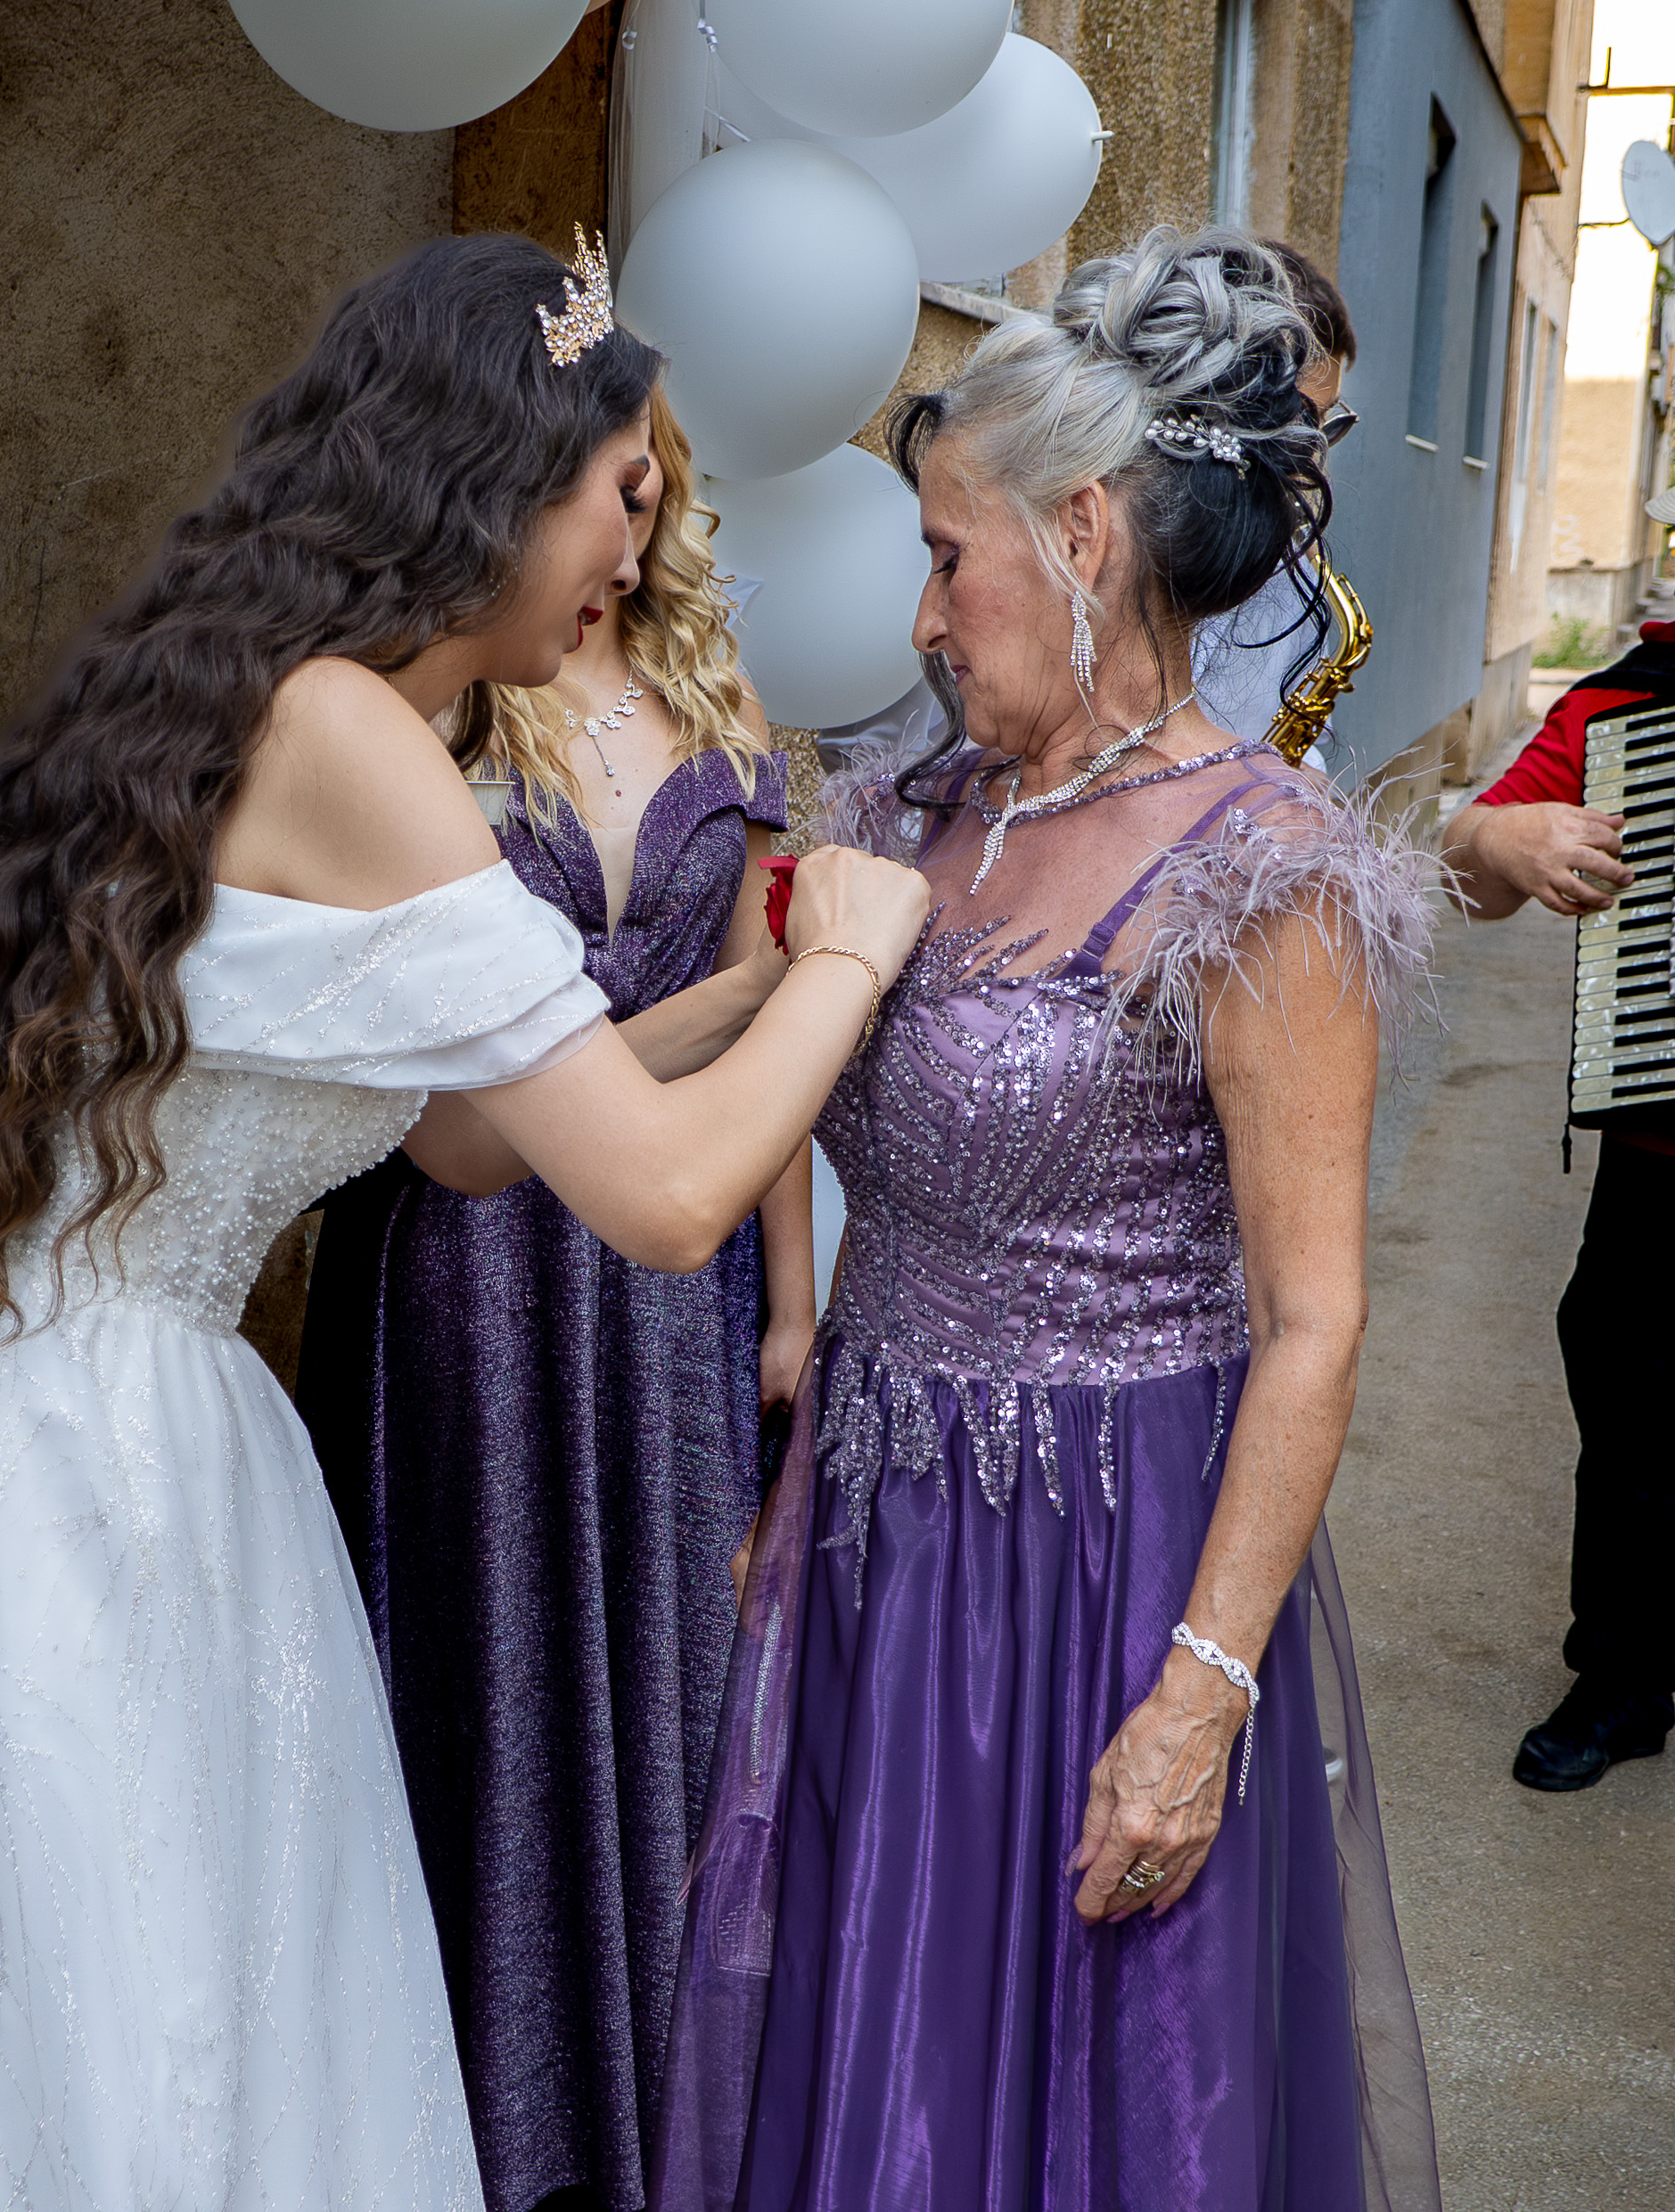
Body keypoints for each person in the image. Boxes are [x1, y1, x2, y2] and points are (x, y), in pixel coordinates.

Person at [0, 230, 929, 2208]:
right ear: (493, 485)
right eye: (619, 493)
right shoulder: (361, 737)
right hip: (103, 1463)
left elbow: (457, 1136)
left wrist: (723, 1000)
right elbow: (667, 1200)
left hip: (61, 1408)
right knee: (134, 2030)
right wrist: (846, 965)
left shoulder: (284, 699)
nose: (633, 548)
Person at [649, 228, 1441, 2212]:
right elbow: (793, 1122)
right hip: (881, 1549)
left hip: (1105, 1568)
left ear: (1081, 534)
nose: (922, 618)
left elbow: (1315, 1320)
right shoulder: (913, 819)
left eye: (948, 556)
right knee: (877, 2049)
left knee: (1082, 2094)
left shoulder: (1261, 875)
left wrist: (1199, 1696)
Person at [295, 383, 815, 2212]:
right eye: (608, 484)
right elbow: (433, 1083)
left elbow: (773, 1043)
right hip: (466, 1275)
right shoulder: (433, 708)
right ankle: (481, 2126)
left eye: (653, 484)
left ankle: (653, 2122)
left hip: (673, 1285)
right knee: (485, 1675)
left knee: (674, 1680)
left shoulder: (724, 707)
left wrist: (790, 1306)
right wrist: (747, 1005)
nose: (632, 518)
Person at [1440, 523, 1675, 1792]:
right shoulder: (1625, 707)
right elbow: (1463, 865)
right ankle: (1623, 1674)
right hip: (1660, 1141)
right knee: (1626, 1374)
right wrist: (1500, 844)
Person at [1189, 241, 1359, 758]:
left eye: (1327, 425)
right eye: (1301, 419)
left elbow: (1306, 744)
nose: (1313, 460)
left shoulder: (1297, 575)